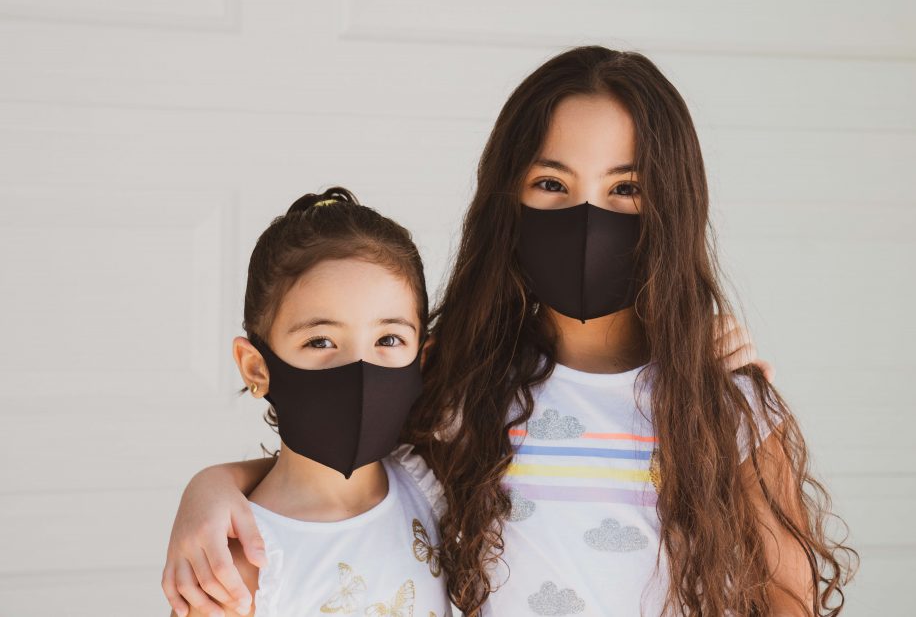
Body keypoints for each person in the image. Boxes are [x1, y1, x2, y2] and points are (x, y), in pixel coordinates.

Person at [163, 47, 855, 617]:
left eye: (626, 189)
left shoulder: (724, 410)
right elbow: (331, 461)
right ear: (509, 199)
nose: (588, 216)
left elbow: (789, 602)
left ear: (670, 208)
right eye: (552, 183)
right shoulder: (461, 389)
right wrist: (211, 486)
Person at [179, 187, 451, 617]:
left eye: (388, 339)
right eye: (320, 340)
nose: (360, 367)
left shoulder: (431, 486)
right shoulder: (238, 568)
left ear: (423, 358)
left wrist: (210, 482)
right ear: (256, 368)